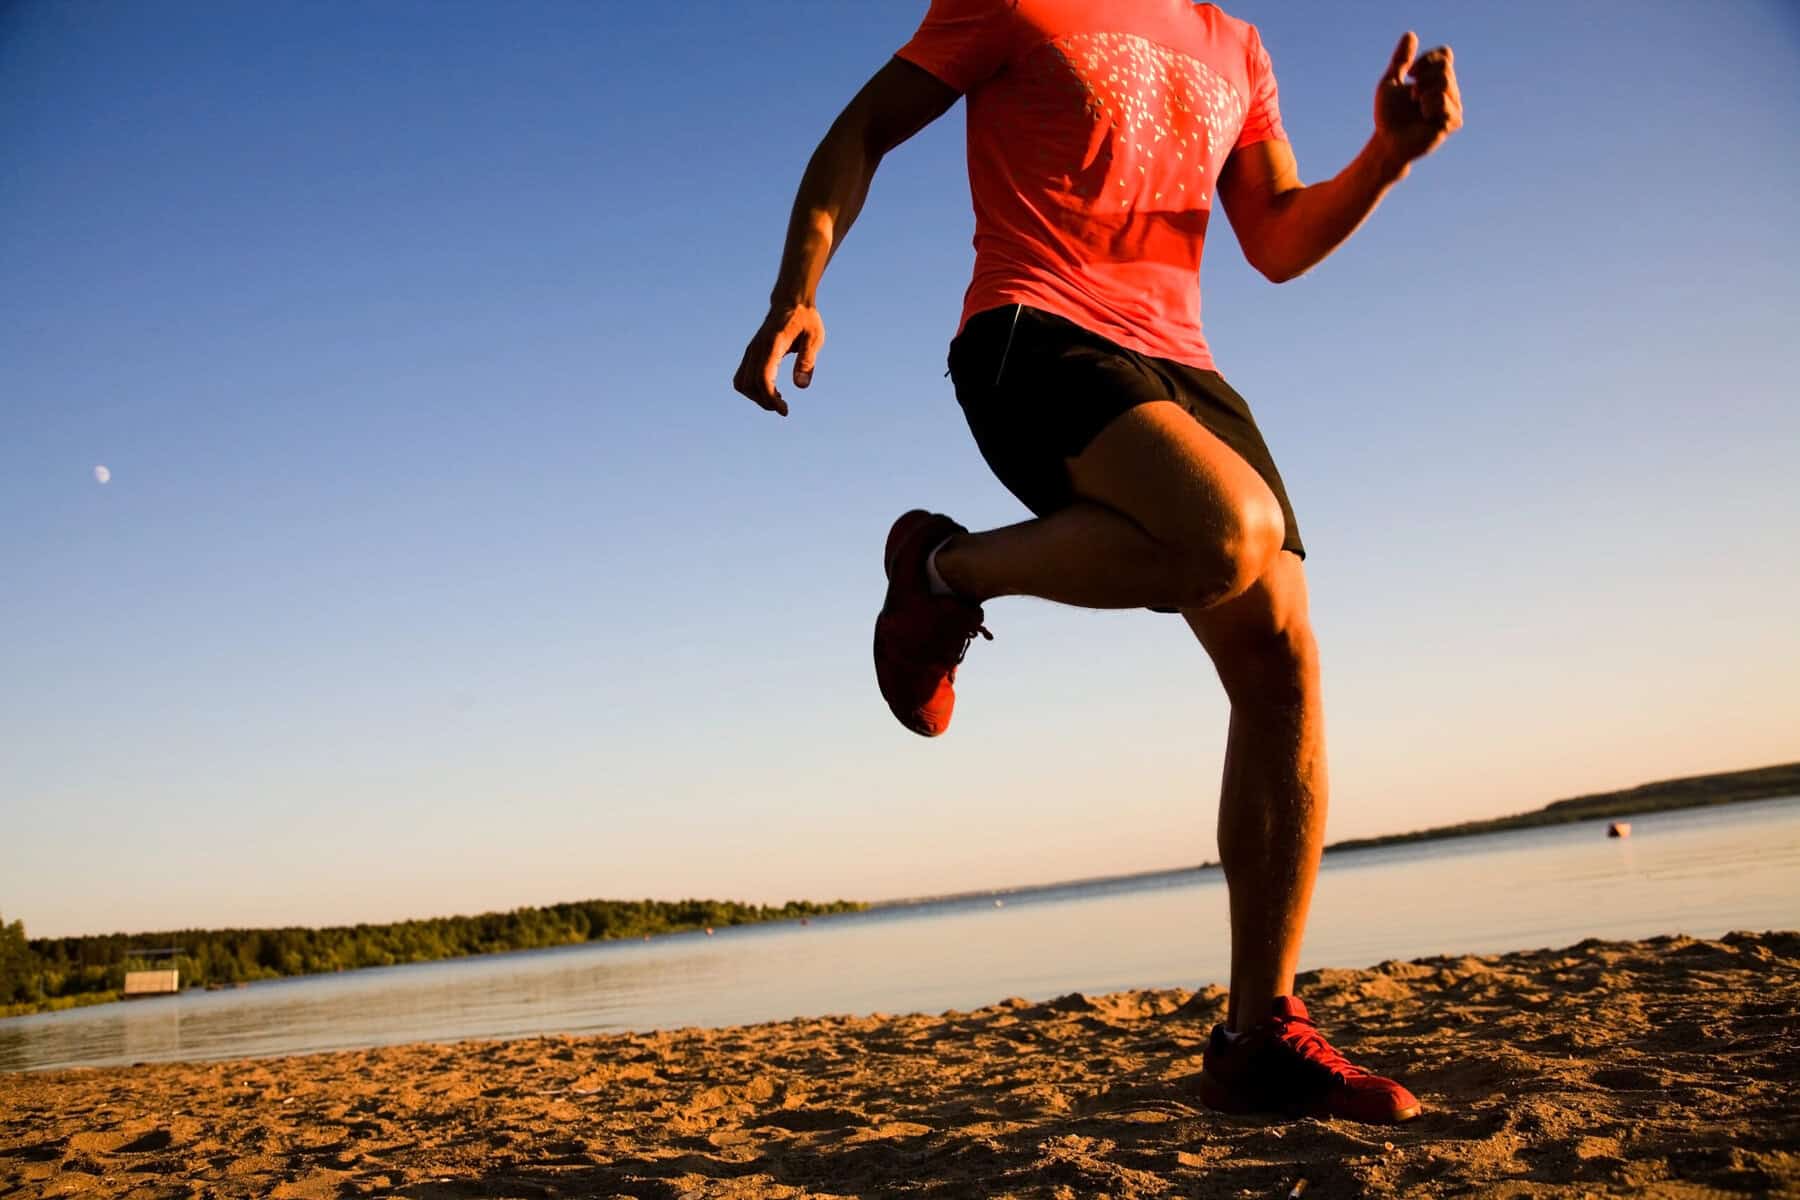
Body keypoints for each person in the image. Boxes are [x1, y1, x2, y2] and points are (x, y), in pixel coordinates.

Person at [733, 0, 1461, 1125]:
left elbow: (1272, 239)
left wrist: (1386, 160)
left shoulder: (1239, 43)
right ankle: (945, 572)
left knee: (1283, 666)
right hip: (1035, 335)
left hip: (1184, 365)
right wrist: (799, 289)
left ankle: (1259, 1036)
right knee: (1229, 530)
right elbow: (862, 130)